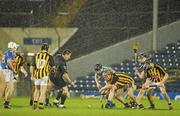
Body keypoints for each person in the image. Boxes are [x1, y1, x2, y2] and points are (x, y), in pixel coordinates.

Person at [30, 43, 55, 109]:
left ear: (41, 48)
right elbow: (53, 68)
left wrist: (32, 75)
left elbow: (32, 66)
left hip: (37, 75)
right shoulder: (49, 56)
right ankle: (41, 104)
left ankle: (35, 102)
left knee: (37, 89)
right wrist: (51, 71)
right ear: (47, 49)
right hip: (44, 75)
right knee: (43, 91)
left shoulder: (36, 55)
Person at [0, 42, 18, 108]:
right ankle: (6, 103)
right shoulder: (10, 52)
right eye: (15, 47)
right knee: (11, 88)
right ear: (12, 47)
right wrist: (14, 70)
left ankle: (6, 102)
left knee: (7, 88)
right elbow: (8, 62)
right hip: (7, 71)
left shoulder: (5, 52)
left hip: (3, 71)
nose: (16, 48)